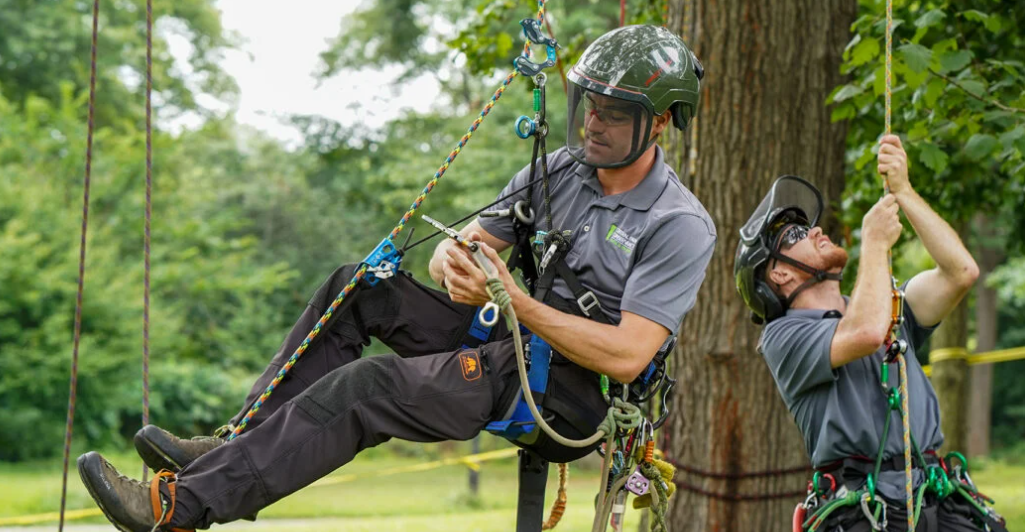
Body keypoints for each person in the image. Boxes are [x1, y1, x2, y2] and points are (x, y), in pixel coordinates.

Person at [77, 24, 714, 531]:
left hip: (571, 395)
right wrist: (457, 262)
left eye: (612, 111)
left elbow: (630, 356)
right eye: (587, 104)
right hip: (508, 342)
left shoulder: (677, 222)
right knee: (359, 285)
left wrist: (514, 303)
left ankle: (178, 509)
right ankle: (229, 445)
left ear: (658, 121)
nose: (591, 122)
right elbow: (458, 254)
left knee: (365, 388)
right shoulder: (557, 172)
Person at [733, 136, 1006, 531]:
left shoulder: (888, 305)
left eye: (808, 226)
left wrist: (905, 193)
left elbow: (960, 273)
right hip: (863, 510)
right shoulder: (783, 337)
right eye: (794, 236)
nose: (815, 231)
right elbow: (864, 333)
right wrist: (874, 242)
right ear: (779, 274)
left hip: (933, 496)